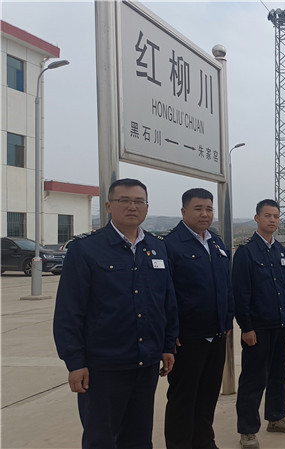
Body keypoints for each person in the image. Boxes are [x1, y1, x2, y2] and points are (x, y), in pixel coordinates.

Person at [53, 178, 179, 449]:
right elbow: (69, 312)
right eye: (124, 201)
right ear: (109, 206)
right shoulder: (86, 249)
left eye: (139, 201)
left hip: (146, 364)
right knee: (101, 438)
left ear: (147, 207)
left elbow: (167, 302)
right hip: (103, 367)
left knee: (139, 438)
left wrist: (167, 345)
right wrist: (75, 362)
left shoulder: (157, 247)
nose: (132, 207)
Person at [163, 188, 234, 449]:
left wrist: (227, 321)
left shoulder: (216, 242)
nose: (205, 214)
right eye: (198, 208)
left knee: (207, 396)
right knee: (183, 398)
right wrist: (170, 333)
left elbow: (226, 285)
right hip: (187, 338)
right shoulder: (171, 245)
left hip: (216, 334)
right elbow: (165, 294)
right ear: (184, 211)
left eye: (209, 209)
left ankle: (205, 442)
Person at [233, 199, 285, 449]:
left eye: (276, 216)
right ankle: (248, 431)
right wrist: (247, 327)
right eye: (267, 216)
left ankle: (276, 417)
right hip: (258, 328)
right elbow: (241, 293)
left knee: (279, 374)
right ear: (257, 218)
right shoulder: (246, 252)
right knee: (253, 379)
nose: (273, 220)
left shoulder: (281, 252)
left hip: (280, 325)